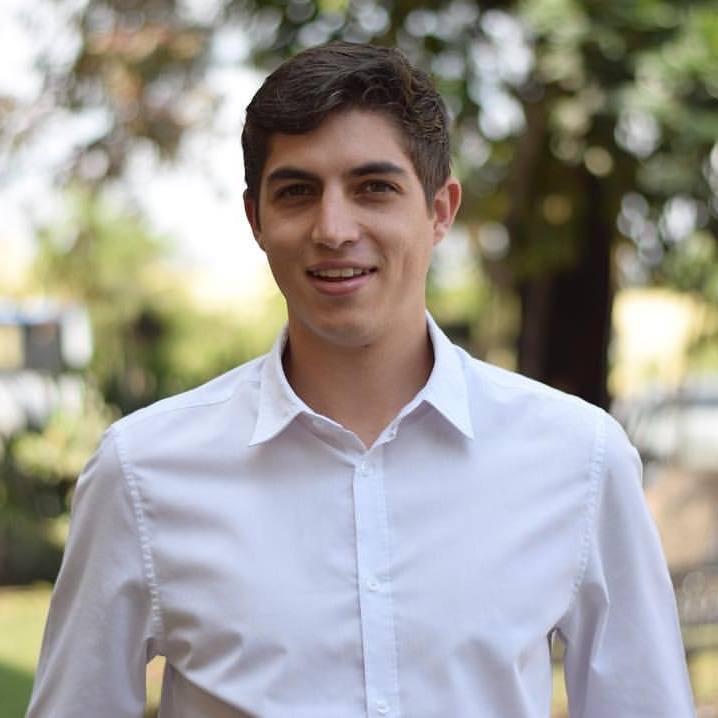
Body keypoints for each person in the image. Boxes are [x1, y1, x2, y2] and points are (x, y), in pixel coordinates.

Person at [27, 42, 694, 718]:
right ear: (256, 220)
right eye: (297, 192)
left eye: (374, 187)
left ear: (440, 211)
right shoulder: (141, 471)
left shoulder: (579, 459)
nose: (334, 229)